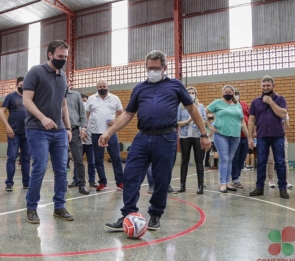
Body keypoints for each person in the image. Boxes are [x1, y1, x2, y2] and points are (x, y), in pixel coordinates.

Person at [103, 50, 211, 231]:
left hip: (166, 137)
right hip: (142, 137)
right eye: (149, 68)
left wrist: (204, 134)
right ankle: (127, 214)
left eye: (156, 68)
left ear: (164, 68)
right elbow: (128, 114)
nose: (152, 71)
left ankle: (155, 215)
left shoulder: (175, 85)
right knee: (130, 175)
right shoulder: (139, 88)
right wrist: (108, 132)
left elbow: (193, 109)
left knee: (162, 179)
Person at [22, 40, 73, 224]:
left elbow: (64, 104)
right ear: (50, 54)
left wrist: (67, 128)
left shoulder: (63, 76)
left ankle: (59, 206)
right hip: (37, 129)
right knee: (40, 167)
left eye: (66, 57)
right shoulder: (36, 71)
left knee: (62, 170)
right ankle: (31, 208)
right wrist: (42, 118)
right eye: (60, 56)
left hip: (59, 130)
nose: (63, 60)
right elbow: (27, 100)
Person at [248, 75, 289, 199]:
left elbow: (283, 113)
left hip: (278, 136)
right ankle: (259, 187)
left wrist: (271, 102)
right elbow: (251, 120)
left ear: (273, 86)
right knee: (261, 162)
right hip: (262, 136)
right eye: (263, 85)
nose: (265, 88)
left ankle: (282, 188)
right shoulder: (255, 102)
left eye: (268, 85)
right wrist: (250, 137)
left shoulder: (280, 99)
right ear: (261, 86)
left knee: (280, 162)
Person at [84, 79, 124, 192]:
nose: (102, 88)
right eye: (100, 86)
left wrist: (115, 120)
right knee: (98, 159)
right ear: (97, 88)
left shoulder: (115, 98)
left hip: (111, 133)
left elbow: (122, 114)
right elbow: (86, 115)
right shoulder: (91, 99)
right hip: (96, 133)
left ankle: (120, 182)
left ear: (108, 86)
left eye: (104, 86)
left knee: (116, 158)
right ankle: (102, 182)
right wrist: (85, 129)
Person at [206, 85, 248, 193]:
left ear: (233, 93)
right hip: (221, 134)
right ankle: (222, 184)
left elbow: (242, 122)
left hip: (235, 135)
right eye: (226, 92)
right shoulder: (217, 102)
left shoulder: (238, 105)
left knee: (230, 159)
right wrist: (210, 126)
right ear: (223, 92)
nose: (228, 94)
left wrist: (249, 136)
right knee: (224, 159)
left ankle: (228, 183)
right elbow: (203, 112)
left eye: (230, 92)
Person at [0, 77, 30, 191]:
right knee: (12, 158)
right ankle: (9, 183)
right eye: (21, 84)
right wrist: (7, 126)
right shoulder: (11, 97)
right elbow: (1, 111)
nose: (23, 86)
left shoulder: (29, 97)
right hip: (14, 133)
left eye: (25, 85)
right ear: (17, 85)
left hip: (27, 134)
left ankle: (26, 182)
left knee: (26, 159)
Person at [176, 86, 207, 194]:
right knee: (184, 160)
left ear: (196, 94)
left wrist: (198, 121)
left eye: (192, 92)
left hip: (198, 136)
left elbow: (204, 121)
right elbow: (176, 122)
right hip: (185, 136)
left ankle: (200, 186)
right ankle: (182, 185)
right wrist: (188, 120)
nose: (191, 94)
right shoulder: (180, 107)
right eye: (188, 92)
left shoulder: (201, 106)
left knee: (199, 161)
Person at [65, 81, 89, 195]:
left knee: (78, 159)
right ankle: (61, 184)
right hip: (59, 131)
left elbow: (82, 113)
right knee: (60, 160)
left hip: (74, 130)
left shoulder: (75, 95)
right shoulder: (54, 94)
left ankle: (81, 184)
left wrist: (83, 128)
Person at [230, 88, 250, 188]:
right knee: (235, 158)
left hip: (245, 136)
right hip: (235, 135)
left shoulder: (245, 105)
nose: (236, 95)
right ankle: (235, 178)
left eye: (238, 94)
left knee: (242, 158)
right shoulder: (230, 105)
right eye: (235, 94)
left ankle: (237, 176)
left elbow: (249, 118)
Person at [81, 93, 96, 188]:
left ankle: (92, 181)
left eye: (85, 100)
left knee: (92, 162)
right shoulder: (79, 117)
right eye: (82, 101)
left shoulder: (93, 117)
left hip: (90, 142)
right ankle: (77, 180)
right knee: (79, 162)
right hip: (80, 142)